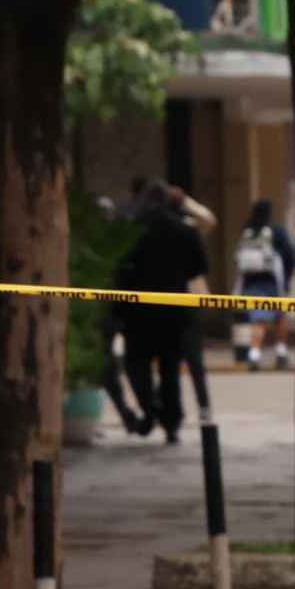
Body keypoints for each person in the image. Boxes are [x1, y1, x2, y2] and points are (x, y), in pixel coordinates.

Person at [114, 181, 206, 444]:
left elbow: (120, 270)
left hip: (137, 314)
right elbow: (197, 268)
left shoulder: (132, 229)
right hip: (174, 312)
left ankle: (151, 408)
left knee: (137, 366)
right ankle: (172, 422)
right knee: (169, 369)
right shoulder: (184, 230)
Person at [232, 200, 295, 370]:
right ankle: (281, 353)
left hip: (251, 284)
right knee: (281, 317)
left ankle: (254, 354)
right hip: (273, 282)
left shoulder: (247, 231)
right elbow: (290, 255)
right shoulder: (277, 231)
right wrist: (287, 279)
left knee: (258, 321)